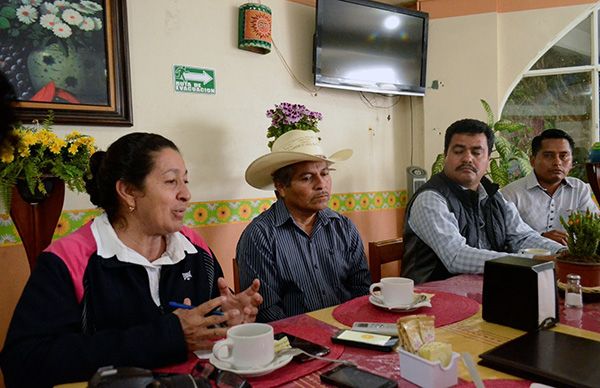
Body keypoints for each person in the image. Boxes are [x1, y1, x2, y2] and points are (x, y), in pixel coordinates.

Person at [0, 133, 263, 387]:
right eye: (171, 182)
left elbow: (205, 334)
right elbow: (23, 364)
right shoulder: (69, 260)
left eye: (186, 181)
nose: (186, 194)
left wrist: (226, 321)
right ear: (127, 191)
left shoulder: (195, 249)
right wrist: (168, 336)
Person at [402, 119, 564, 284]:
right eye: (458, 151)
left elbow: (522, 237)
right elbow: (456, 256)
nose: (467, 159)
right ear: (446, 155)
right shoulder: (430, 199)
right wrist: (531, 261)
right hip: (432, 299)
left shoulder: (494, 196)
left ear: (488, 159)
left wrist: (564, 254)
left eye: (476, 152)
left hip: (483, 292)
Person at [236, 129, 371, 322]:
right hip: (295, 344)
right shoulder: (260, 236)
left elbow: (362, 290)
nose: (321, 184)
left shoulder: (343, 227)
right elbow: (268, 313)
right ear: (281, 187)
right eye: (307, 178)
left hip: (350, 332)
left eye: (325, 173)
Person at [501, 129, 599, 245]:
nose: (557, 162)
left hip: (572, 258)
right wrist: (540, 238)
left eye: (563, 156)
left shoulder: (579, 188)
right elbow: (504, 239)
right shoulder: (511, 194)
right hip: (526, 261)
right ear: (532, 161)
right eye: (548, 156)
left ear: (572, 162)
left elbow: (593, 227)